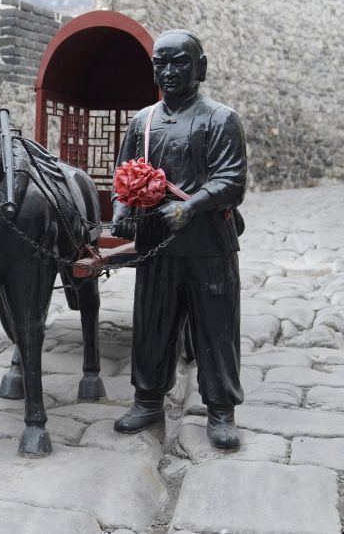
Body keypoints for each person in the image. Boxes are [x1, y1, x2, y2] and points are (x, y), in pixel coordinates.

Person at [110, 29, 247, 451]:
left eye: (179, 62)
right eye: (161, 63)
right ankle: (147, 399)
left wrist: (190, 207)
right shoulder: (143, 121)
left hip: (209, 245)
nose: (168, 71)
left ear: (200, 67)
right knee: (153, 324)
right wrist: (121, 208)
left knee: (216, 328)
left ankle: (220, 408)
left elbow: (232, 180)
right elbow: (124, 175)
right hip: (157, 245)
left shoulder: (220, 119)